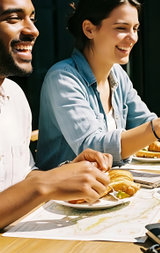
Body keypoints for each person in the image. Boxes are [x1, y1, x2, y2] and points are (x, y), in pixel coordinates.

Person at [37, 0, 160, 170]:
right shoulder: (63, 78)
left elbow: (150, 128)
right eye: (121, 28)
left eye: (135, 29)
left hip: (108, 189)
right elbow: (92, 148)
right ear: (89, 29)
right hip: (65, 197)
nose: (133, 38)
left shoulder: (117, 75)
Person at [0, 0, 112, 229]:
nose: (33, 30)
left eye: (32, 18)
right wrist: (44, 185)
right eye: (13, 18)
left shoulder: (14, 95)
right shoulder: (63, 75)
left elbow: (23, 178)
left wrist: (66, 173)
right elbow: (35, 186)